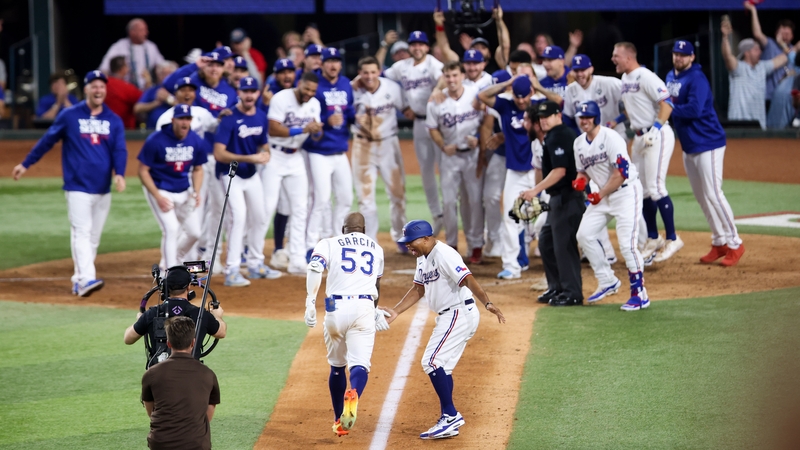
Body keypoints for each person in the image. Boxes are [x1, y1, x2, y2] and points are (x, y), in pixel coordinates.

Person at [382, 219, 505, 440]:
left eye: (411, 242)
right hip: (451, 315)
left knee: (431, 362)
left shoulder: (444, 254)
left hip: (458, 313)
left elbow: (468, 279)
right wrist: (397, 311)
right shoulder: (423, 257)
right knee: (443, 368)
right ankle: (448, 420)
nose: (408, 246)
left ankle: (450, 415)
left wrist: (487, 303)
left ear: (426, 238)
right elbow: (418, 289)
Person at [12, 71, 126, 297]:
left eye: (101, 87)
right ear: (85, 89)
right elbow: (47, 141)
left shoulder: (113, 119)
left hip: (103, 188)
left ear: (105, 90)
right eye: (93, 86)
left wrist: (120, 173)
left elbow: (119, 149)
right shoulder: (70, 115)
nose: (98, 90)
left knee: (93, 238)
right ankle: (86, 279)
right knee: (82, 233)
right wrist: (26, 164)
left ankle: (79, 279)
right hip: (77, 186)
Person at [303, 212, 387, 436]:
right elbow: (376, 285)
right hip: (364, 308)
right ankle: (355, 392)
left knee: (337, 366)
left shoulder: (329, 243)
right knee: (360, 364)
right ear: (364, 229)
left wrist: (310, 303)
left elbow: (314, 269)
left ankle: (339, 419)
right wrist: (376, 309)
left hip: (335, 310)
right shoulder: (376, 248)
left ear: (343, 229)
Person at [667, 40, 745, 267]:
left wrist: (668, 108)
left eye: (683, 55)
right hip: (690, 145)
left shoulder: (697, 79)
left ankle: (735, 242)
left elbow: (695, 109)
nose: (679, 58)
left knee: (714, 193)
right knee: (702, 197)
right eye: (676, 54)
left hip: (709, 143)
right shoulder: (670, 76)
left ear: (692, 57)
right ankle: (719, 241)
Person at [572, 101, 648, 311]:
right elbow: (584, 170)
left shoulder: (611, 137)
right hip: (603, 195)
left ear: (596, 118)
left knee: (627, 245)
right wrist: (581, 180)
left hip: (625, 193)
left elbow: (621, 172)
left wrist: (599, 194)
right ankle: (607, 280)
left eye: (588, 117)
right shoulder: (578, 143)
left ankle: (639, 294)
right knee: (584, 234)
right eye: (581, 117)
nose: (584, 121)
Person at [613, 41, 681, 263]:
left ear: (628, 57)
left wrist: (657, 128)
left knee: (656, 187)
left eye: (616, 56)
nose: (613, 59)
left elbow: (667, 103)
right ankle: (653, 237)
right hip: (640, 137)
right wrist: (617, 120)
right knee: (641, 190)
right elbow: (634, 108)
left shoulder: (646, 76)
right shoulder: (625, 79)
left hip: (657, 135)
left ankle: (672, 238)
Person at [214, 76, 279, 286]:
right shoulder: (229, 118)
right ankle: (231, 269)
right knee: (238, 217)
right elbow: (219, 154)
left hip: (251, 175)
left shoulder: (260, 116)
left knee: (261, 216)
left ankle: (255, 263)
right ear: (239, 93)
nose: (249, 95)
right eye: (245, 91)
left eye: (253, 91)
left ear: (257, 94)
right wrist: (249, 158)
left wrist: (265, 153)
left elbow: (263, 144)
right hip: (230, 174)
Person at [520, 101, 584, 306]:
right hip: (559, 199)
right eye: (541, 117)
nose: (544, 120)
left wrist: (534, 191)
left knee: (564, 246)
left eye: (548, 115)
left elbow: (560, 171)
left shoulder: (561, 135)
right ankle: (556, 287)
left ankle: (572, 292)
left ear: (559, 115)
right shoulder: (552, 136)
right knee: (547, 240)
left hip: (568, 198)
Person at [383, 31, 445, 235]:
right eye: (414, 44)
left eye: (421, 44)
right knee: (426, 172)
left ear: (426, 47)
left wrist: (437, 90)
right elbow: (380, 76)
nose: (417, 47)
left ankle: (449, 212)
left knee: (445, 171)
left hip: (439, 122)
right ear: (410, 47)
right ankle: (438, 215)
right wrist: (384, 46)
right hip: (419, 123)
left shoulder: (433, 64)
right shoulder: (403, 66)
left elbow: (444, 78)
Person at [477, 76, 536, 280]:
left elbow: (559, 101)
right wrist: (507, 83)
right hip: (514, 172)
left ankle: (551, 262)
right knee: (510, 218)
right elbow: (482, 95)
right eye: (517, 96)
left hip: (537, 173)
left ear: (531, 93)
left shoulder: (539, 107)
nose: (520, 101)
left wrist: (537, 87)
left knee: (543, 221)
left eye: (524, 96)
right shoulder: (505, 105)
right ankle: (512, 266)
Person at [426, 61, 485, 261]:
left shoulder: (475, 94)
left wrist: (479, 138)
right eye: (448, 76)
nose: (451, 80)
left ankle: (476, 245)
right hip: (449, 157)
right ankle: (451, 245)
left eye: (455, 75)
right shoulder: (436, 100)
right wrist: (443, 145)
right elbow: (432, 128)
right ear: (444, 77)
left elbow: (487, 120)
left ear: (462, 76)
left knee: (475, 200)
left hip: (472, 155)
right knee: (449, 202)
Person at [265, 72, 323, 274]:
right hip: (274, 155)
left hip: (295, 157)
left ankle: (297, 258)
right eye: (306, 88)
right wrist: (302, 129)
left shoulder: (315, 103)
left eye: (313, 90)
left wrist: (316, 130)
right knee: (266, 207)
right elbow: (273, 129)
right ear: (299, 84)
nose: (309, 93)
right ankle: (252, 257)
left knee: (300, 208)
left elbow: (315, 133)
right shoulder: (281, 98)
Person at [138, 104, 207, 270]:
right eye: (181, 118)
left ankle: (174, 259)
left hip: (184, 190)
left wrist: (196, 192)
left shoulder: (195, 140)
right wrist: (158, 196)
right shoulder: (156, 140)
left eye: (187, 119)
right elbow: (143, 171)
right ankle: (170, 272)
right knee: (171, 228)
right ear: (173, 119)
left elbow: (198, 169)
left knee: (195, 232)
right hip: (161, 188)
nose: (184, 122)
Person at [138, 315, 221, 450]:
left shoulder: (151, 373)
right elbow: (209, 411)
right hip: (196, 444)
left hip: (161, 444)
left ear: (169, 343)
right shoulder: (207, 374)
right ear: (193, 343)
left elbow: (151, 411)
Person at [350, 56, 408, 247]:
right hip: (363, 145)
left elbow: (407, 110)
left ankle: (400, 235)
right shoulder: (351, 90)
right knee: (365, 198)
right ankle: (370, 242)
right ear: (359, 73)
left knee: (398, 195)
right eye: (365, 72)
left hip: (388, 144)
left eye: (373, 72)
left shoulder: (392, 87)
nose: (369, 76)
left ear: (379, 71)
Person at [304, 48, 354, 251]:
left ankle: (336, 240)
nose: (333, 65)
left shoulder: (345, 84)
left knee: (345, 198)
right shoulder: (314, 85)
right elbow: (306, 115)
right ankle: (309, 246)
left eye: (336, 61)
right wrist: (326, 120)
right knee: (321, 199)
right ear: (321, 63)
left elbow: (349, 110)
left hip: (340, 150)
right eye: (329, 61)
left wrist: (355, 117)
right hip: (318, 151)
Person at [123, 265, 227, 353]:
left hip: (158, 373)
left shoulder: (152, 313)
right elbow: (221, 333)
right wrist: (217, 316)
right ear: (189, 287)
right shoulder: (200, 314)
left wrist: (141, 319)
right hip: (192, 373)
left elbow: (128, 339)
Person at [721, 18, 789, 130]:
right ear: (747, 53)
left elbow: (782, 59)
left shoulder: (762, 66)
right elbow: (727, 57)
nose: (760, 52)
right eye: (756, 49)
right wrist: (725, 37)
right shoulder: (739, 68)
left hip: (759, 125)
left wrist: (782, 44)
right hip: (738, 124)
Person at [100, 18, 164, 90]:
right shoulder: (119, 47)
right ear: (132, 32)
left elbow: (162, 66)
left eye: (146, 30)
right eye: (142, 30)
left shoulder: (151, 47)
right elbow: (104, 68)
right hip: (125, 89)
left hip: (148, 89)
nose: (146, 33)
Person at [134, 61, 178, 129]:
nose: (165, 77)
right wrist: (156, 103)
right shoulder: (152, 90)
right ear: (158, 75)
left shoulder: (179, 89)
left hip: (174, 131)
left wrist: (168, 99)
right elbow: (137, 108)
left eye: (169, 74)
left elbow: (187, 108)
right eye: (162, 74)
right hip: (152, 131)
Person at [105, 56, 142, 129]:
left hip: (104, 127)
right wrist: (148, 82)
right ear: (122, 69)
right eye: (127, 66)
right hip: (124, 130)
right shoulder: (126, 87)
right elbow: (144, 99)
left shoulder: (102, 83)